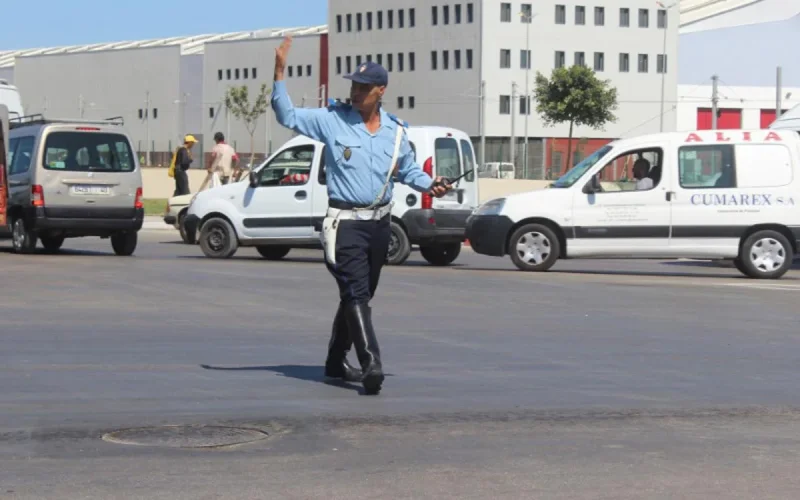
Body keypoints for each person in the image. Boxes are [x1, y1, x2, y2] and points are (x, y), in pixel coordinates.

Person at [270, 35, 450, 395]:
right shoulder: (332, 120)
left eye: (364, 87)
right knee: (354, 291)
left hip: (380, 225)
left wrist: (431, 184)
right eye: (353, 85)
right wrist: (278, 71)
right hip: (344, 224)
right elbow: (286, 115)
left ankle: (336, 361)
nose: (355, 92)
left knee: (359, 296)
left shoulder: (396, 132)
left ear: (380, 90)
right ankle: (372, 364)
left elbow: (408, 170)